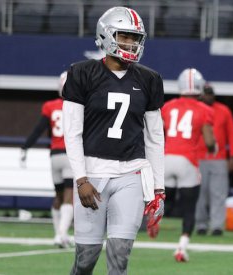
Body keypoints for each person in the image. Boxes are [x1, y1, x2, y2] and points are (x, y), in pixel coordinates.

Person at [62, 7, 165, 275]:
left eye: (135, 38)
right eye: (124, 36)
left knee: (120, 255)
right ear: (106, 35)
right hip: (92, 174)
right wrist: (81, 179)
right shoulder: (82, 73)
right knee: (86, 259)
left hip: (131, 172)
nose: (130, 43)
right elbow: (71, 131)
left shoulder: (150, 79)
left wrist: (158, 188)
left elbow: (155, 138)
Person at [162, 68, 216, 262]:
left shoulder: (168, 107)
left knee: (163, 199)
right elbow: (209, 141)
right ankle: (182, 247)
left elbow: (157, 132)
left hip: (166, 158)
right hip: (187, 160)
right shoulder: (205, 109)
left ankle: (153, 217)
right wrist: (213, 148)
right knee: (189, 207)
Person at [21, 71, 74, 248]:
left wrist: (25, 147)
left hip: (54, 155)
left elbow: (38, 130)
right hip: (69, 155)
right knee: (69, 196)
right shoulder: (78, 106)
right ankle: (61, 234)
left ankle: (58, 234)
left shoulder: (50, 106)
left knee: (57, 196)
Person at [195, 83, 233, 236]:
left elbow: (231, 134)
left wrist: (232, 156)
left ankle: (217, 225)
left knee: (218, 193)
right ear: (201, 95)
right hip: (198, 157)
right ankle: (200, 223)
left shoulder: (224, 110)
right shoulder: (196, 109)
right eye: (206, 94)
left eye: (211, 94)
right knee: (200, 193)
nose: (209, 96)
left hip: (218, 157)